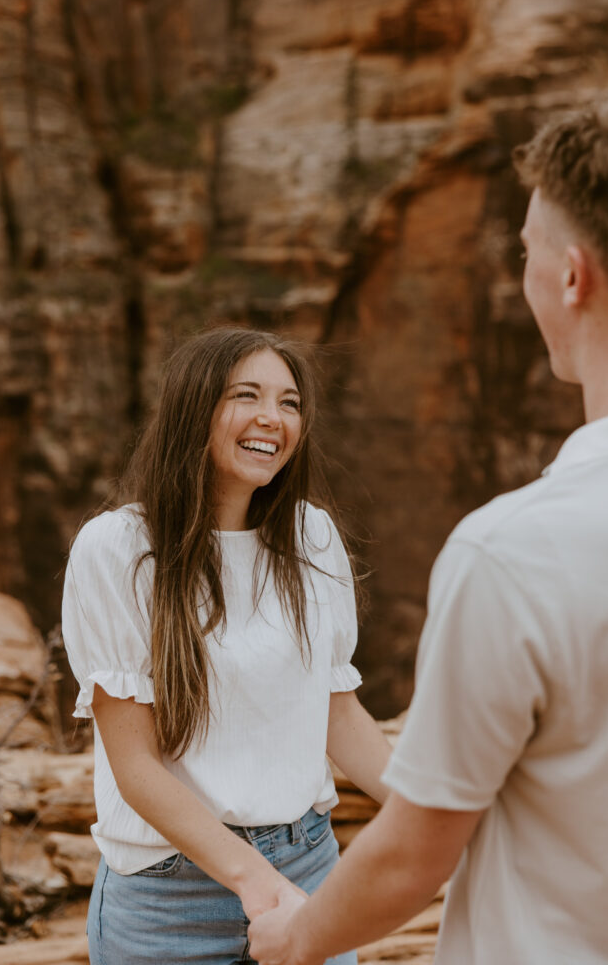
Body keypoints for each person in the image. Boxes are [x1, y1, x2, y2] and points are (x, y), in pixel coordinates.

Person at [247, 86, 608, 965]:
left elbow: (417, 850)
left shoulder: (512, 553)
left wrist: (294, 938)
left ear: (571, 275)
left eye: (527, 252)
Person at [61, 326, 392, 965]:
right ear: (194, 409)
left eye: (290, 403)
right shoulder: (118, 549)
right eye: (247, 395)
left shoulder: (311, 536)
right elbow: (136, 768)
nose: (272, 418)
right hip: (168, 906)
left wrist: (440, 816)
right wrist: (259, 886)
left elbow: (339, 714)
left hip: (309, 869)